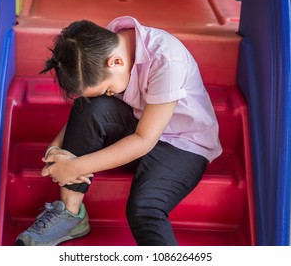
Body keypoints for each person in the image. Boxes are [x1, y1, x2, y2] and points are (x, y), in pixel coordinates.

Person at [15, 16, 222, 246]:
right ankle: (70, 214)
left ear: (115, 62)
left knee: (144, 208)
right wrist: (55, 147)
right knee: (90, 105)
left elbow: (144, 140)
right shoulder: (106, 44)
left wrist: (75, 166)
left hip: (182, 144)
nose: (110, 94)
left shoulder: (167, 60)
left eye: (108, 89)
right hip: (139, 122)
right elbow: (91, 108)